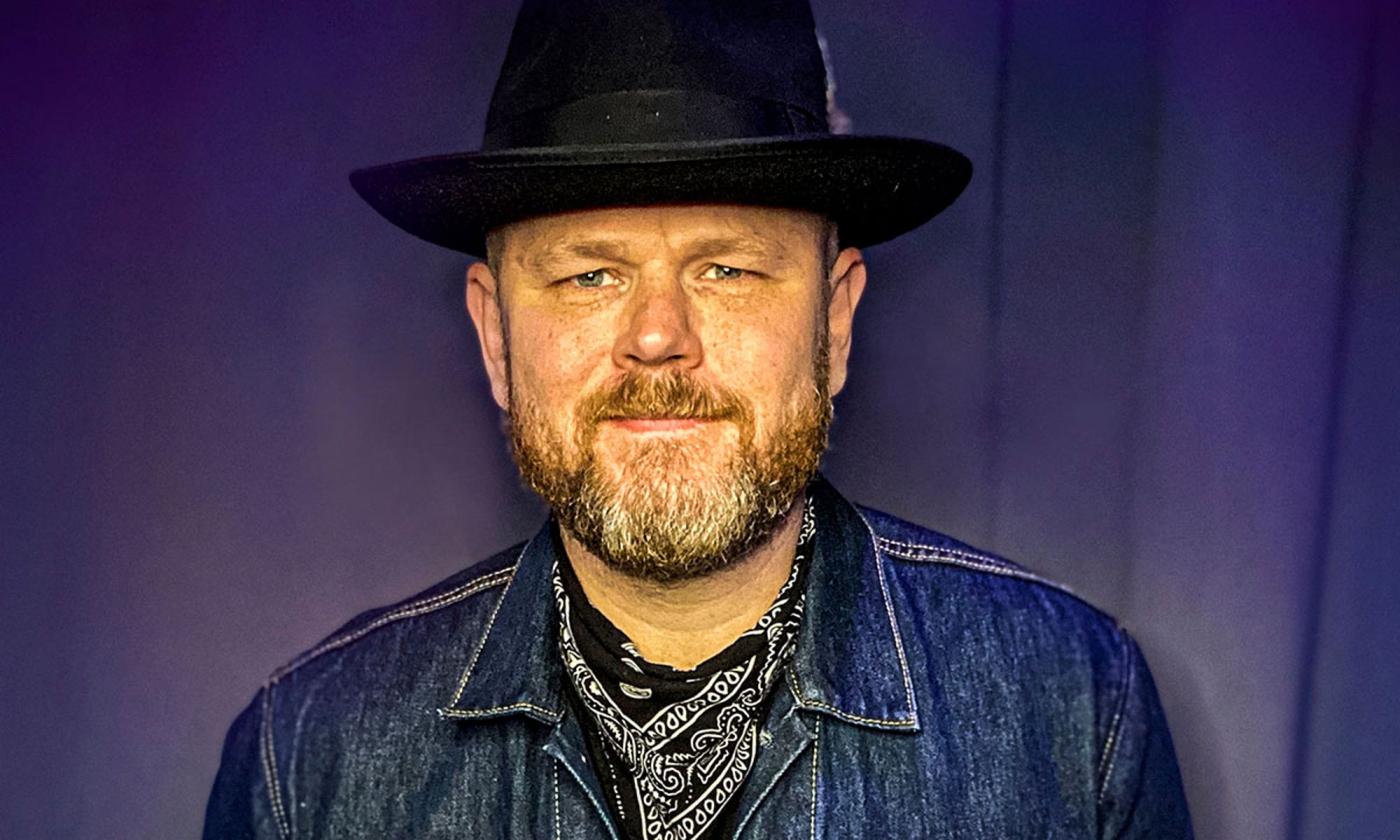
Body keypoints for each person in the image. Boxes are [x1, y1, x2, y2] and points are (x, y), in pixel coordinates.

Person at [204, 0, 1193, 837]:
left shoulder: (1070, 717)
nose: (656, 338)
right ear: (496, 340)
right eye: (589, 274)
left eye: (727, 268)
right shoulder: (311, 765)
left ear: (835, 322)